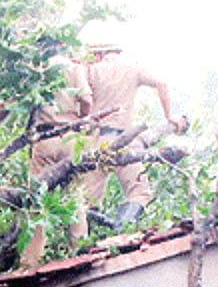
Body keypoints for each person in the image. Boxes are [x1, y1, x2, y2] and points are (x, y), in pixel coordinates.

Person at [80, 24, 188, 227]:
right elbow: (162, 83)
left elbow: (81, 100)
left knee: (86, 201)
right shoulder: (133, 67)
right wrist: (170, 117)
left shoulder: (90, 71)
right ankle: (120, 228)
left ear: (98, 53)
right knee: (139, 191)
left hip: (96, 141)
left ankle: (94, 237)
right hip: (124, 140)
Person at [20, 52, 93, 266]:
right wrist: (82, 120)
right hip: (70, 136)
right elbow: (86, 99)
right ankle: (78, 252)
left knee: (38, 198)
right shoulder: (74, 68)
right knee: (74, 195)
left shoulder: (36, 67)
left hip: (44, 137)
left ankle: (30, 260)